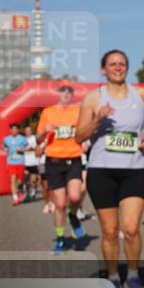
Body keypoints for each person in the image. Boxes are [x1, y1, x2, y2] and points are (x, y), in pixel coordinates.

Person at [75, 50, 144, 288]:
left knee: (131, 229)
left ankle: (132, 276)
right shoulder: (93, 98)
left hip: (133, 169)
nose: (118, 67)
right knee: (110, 232)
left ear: (127, 68)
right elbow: (79, 137)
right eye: (112, 64)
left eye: (122, 64)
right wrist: (98, 118)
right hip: (102, 171)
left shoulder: (142, 95)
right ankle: (112, 277)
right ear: (103, 70)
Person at [38, 80, 86, 253]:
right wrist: (45, 131)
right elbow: (38, 139)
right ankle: (60, 239)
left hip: (73, 159)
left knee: (74, 197)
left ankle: (73, 216)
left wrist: (85, 140)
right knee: (59, 205)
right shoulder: (48, 112)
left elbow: (85, 130)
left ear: (72, 94)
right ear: (58, 93)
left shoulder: (78, 111)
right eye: (63, 91)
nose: (66, 93)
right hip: (54, 162)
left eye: (69, 91)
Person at [2, 123, 28, 205]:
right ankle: (15, 198)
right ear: (10, 130)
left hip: (20, 162)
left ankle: (21, 191)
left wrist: (23, 149)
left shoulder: (22, 138)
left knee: (20, 181)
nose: (13, 131)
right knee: (13, 180)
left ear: (18, 130)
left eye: (15, 129)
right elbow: (2, 146)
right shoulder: (6, 139)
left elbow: (28, 147)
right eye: (12, 129)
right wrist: (5, 149)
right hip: (11, 162)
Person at [23, 126, 42, 202]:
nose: (28, 132)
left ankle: (33, 192)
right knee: (26, 178)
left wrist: (30, 148)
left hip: (34, 161)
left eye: (29, 130)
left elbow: (38, 148)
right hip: (25, 162)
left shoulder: (35, 138)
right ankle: (27, 192)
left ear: (31, 131)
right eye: (26, 131)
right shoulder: (23, 139)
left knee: (33, 179)